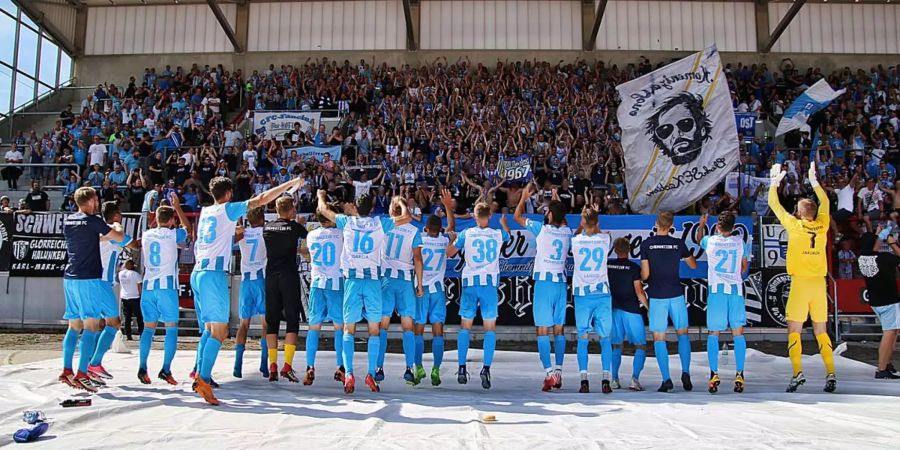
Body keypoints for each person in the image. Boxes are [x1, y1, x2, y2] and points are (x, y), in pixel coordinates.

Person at [190, 175, 304, 405]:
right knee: (219, 332)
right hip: (215, 274)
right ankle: (202, 379)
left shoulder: (205, 212)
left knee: (210, 329)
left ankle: (199, 373)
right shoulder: (227, 210)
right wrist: (290, 184)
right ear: (229, 194)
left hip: (198, 271)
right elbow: (261, 199)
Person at [315, 189, 413, 394]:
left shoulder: (347, 222)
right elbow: (407, 218)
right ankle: (370, 372)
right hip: (372, 281)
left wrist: (321, 195)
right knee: (374, 330)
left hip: (352, 280)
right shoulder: (380, 223)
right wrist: (400, 202)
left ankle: (349, 373)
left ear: (355, 208)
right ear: (373, 207)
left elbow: (323, 210)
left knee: (348, 329)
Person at [768, 164, 836, 393]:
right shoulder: (823, 224)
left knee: (794, 330)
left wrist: (774, 182)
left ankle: (797, 373)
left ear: (799, 213)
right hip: (819, 284)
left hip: (800, 284)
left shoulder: (795, 226)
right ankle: (830, 373)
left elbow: (773, 204)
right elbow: (825, 203)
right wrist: (814, 181)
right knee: (821, 330)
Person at [59, 187, 125, 392]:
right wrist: (116, 225)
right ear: (89, 201)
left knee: (73, 325)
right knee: (92, 326)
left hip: (70, 277)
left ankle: (67, 370)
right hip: (89, 278)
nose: (97, 203)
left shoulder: (69, 221)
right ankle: (82, 373)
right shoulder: (93, 221)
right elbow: (119, 236)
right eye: (95, 200)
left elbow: (90, 239)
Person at [514, 183, 573, 391]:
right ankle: (558, 372)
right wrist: (556, 201)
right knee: (559, 330)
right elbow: (561, 217)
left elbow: (517, 217)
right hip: (560, 282)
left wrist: (523, 197)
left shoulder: (541, 229)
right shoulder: (567, 231)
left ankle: (548, 373)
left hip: (544, 283)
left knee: (542, 330)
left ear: (549, 216)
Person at [446, 203, 512, 389]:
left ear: (474, 216)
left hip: (470, 282)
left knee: (465, 326)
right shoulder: (497, 234)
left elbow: (450, 253)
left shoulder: (466, 233)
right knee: (490, 328)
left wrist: (452, 238)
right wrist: (504, 223)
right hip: (489, 283)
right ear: (489, 215)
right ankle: (486, 369)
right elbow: (509, 236)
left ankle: (461, 367)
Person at [640, 211, 698, 392]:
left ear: (656, 223)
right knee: (683, 333)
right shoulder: (678, 243)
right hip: (676, 293)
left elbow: (645, 274)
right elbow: (693, 265)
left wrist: (641, 279)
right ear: (671, 225)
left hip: (657, 294)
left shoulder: (647, 244)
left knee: (659, 337)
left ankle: (666, 379)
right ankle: (686, 372)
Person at [138, 193, 190, 385]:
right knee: (171, 329)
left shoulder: (146, 234)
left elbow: (157, 229)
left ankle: (142, 367)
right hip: (166, 286)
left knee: (148, 329)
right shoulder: (172, 234)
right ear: (171, 220)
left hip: (148, 285)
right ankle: (166, 369)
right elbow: (188, 229)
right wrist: (177, 208)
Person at [696, 212, 749, 394]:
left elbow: (698, 239)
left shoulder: (710, 241)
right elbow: (743, 268)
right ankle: (739, 374)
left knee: (713, 333)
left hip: (716, 291)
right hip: (735, 290)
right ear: (734, 228)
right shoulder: (740, 242)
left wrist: (702, 224)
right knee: (738, 333)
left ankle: (714, 374)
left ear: (717, 227)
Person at [376, 195, 425, 386]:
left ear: (391, 210)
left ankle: (379, 367)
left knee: (383, 326)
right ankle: (409, 368)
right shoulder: (413, 230)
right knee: (407, 327)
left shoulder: (383, 225)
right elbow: (418, 259)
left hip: (386, 278)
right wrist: (419, 284)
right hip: (405, 280)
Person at [86, 201, 137, 381]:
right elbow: (132, 243)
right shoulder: (112, 230)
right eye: (120, 214)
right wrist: (118, 227)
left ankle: (88, 365)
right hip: (103, 282)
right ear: (115, 215)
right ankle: (94, 363)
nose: (122, 217)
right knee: (114, 324)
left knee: (97, 324)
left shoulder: (98, 229)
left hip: (92, 280)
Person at [262, 197, 308, 383]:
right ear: (290, 210)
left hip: (271, 276)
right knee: (292, 321)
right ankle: (287, 366)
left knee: (272, 321)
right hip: (288, 275)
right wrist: (299, 224)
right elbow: (306, 238)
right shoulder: (294, 227)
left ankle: (272, 365)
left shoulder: (268, 227)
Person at [414, 191, 455, 387]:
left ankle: (418, 367)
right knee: (438, 331)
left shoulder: (420, 239)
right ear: (440, 229)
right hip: (438, 289)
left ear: (426, 228)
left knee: (418, 330)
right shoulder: (443, 240)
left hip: (422, 288)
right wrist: (447, 207)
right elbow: (452, 228)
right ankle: (436, 369)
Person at [571, 206, 613, 394]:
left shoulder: (576, 241)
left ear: (582, 222)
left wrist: (584, 224)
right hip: (602, 292)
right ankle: (605, 378)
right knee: (605, 338)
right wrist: (595, 220)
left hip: (582, 293)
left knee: (583, 337)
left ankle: (584, 379)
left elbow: (578, 232)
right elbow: (600, 231)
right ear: (596, 223)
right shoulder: (605, 239)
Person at [304, 201, 347, 385]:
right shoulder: (340, 234)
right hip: (335, 282)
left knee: (313, 327)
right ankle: (340, 367)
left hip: (317, 283)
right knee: (340, 327)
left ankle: (309, 366)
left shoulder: (311, 235)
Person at [857, 229, 900, 379]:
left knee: (891, 333)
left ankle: (886, 362)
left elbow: (872, 248)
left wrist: (877, 237)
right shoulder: (883, 259)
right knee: (890, 333)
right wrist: (892, 242)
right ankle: (882, 368)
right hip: (889, 301)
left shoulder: (862, 258)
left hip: (876, 301)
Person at [608, 237, 649, 391]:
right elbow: (639, 291)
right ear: (630, 250)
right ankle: (634, 379)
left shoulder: (608, 265)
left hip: (614, 309)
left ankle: (614, 379)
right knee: (640, 346)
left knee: (616, 345)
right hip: (631, 310)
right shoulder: (633, 268)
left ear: (615, 250)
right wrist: (648, 308)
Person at [233, 207, 269, 379]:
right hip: (261, 278)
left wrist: (238, 227)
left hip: (246, 280)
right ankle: (264, 363)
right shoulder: (265, 232)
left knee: (243, 324)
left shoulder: (243, 232)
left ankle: (238, 364)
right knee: (265, 324)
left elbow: (232, 239)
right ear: (261, 219)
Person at [118, 259, 143, 341]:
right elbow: (139, 286)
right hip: (135, 297)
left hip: (124, 297)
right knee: (139, 317)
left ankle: (128, 335)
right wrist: (141, 295)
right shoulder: (135, 274)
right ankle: (141, 333)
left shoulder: (121, 274)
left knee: (127, 317)